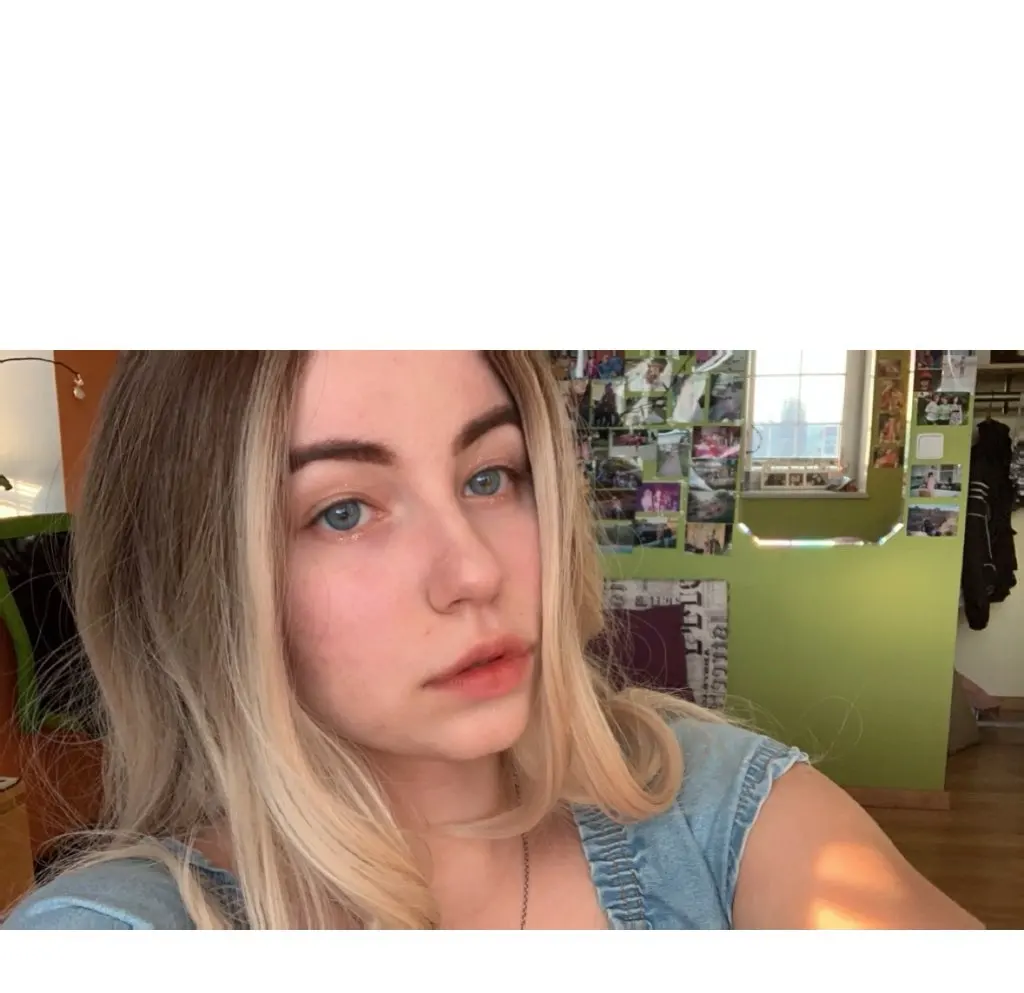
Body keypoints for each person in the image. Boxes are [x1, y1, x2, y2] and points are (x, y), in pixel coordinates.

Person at [4, 352, 979, 931]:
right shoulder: (123, 928)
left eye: (489, 477)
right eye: (343, 510)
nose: (474, 569)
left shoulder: (719, 809)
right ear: (198, 583)